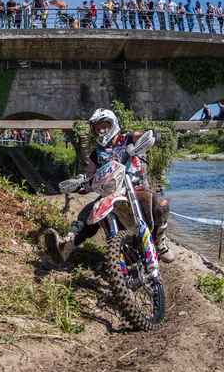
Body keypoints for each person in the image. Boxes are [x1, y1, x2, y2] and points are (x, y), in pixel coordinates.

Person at [44, 108, 174, 264]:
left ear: (112, 125)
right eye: (97, 128)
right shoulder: (96, 153)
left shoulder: (128, 139)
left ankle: (160, 242)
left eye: (104, 127)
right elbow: (89, 174)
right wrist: (83, 184)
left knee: (160, 203)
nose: (101, 131)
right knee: (88, 213)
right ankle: (64, 245)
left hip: (136, 187)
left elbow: (141, 136)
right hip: (111, 193)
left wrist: (150, 135)